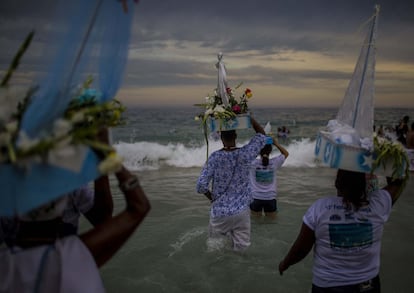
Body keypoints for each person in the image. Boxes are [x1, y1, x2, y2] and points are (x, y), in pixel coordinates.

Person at [0, 164, 151, 292]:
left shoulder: (6, 266)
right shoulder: (78, 255)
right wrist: (106, 158)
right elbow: (139, 207)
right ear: (60, 216)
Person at [278, 169, 405, 292]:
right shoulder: (378, 204)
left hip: (328, 286)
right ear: (364, 184)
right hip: (367, 285)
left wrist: (285, 263)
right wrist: (387, 161)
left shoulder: (320, 208)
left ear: (337, 183)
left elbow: (301, 249)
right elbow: (397, 182)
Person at [196, 116, 267, 251]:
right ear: (235, 135)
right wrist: (249, 118)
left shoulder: (215, 157)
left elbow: (201, 186)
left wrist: (213, 199)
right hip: (242, 213)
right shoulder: (246, 153)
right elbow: (262, 135)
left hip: (220, 213)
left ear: (221, 138)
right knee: (242, 250)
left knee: (215, 249)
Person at [249, 136, 289, 219]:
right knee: (271, 223)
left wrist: (256, 145)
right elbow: (285, 153)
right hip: (270, 198)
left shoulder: (252, 163)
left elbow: (246, 155)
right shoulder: (275, 162)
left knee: (256, 223)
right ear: (270, 151)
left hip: (255, 197)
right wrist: (276, 144)